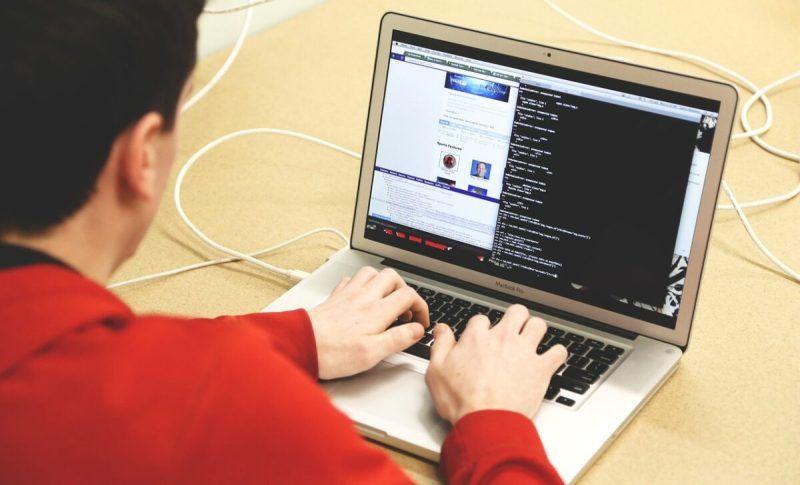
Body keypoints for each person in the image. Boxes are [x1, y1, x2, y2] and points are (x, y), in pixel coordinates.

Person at [0, 1, 568, 483]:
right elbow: (179, 399)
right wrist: (493, 419)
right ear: (142, 155)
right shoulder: (217, 405)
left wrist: (293, 337)